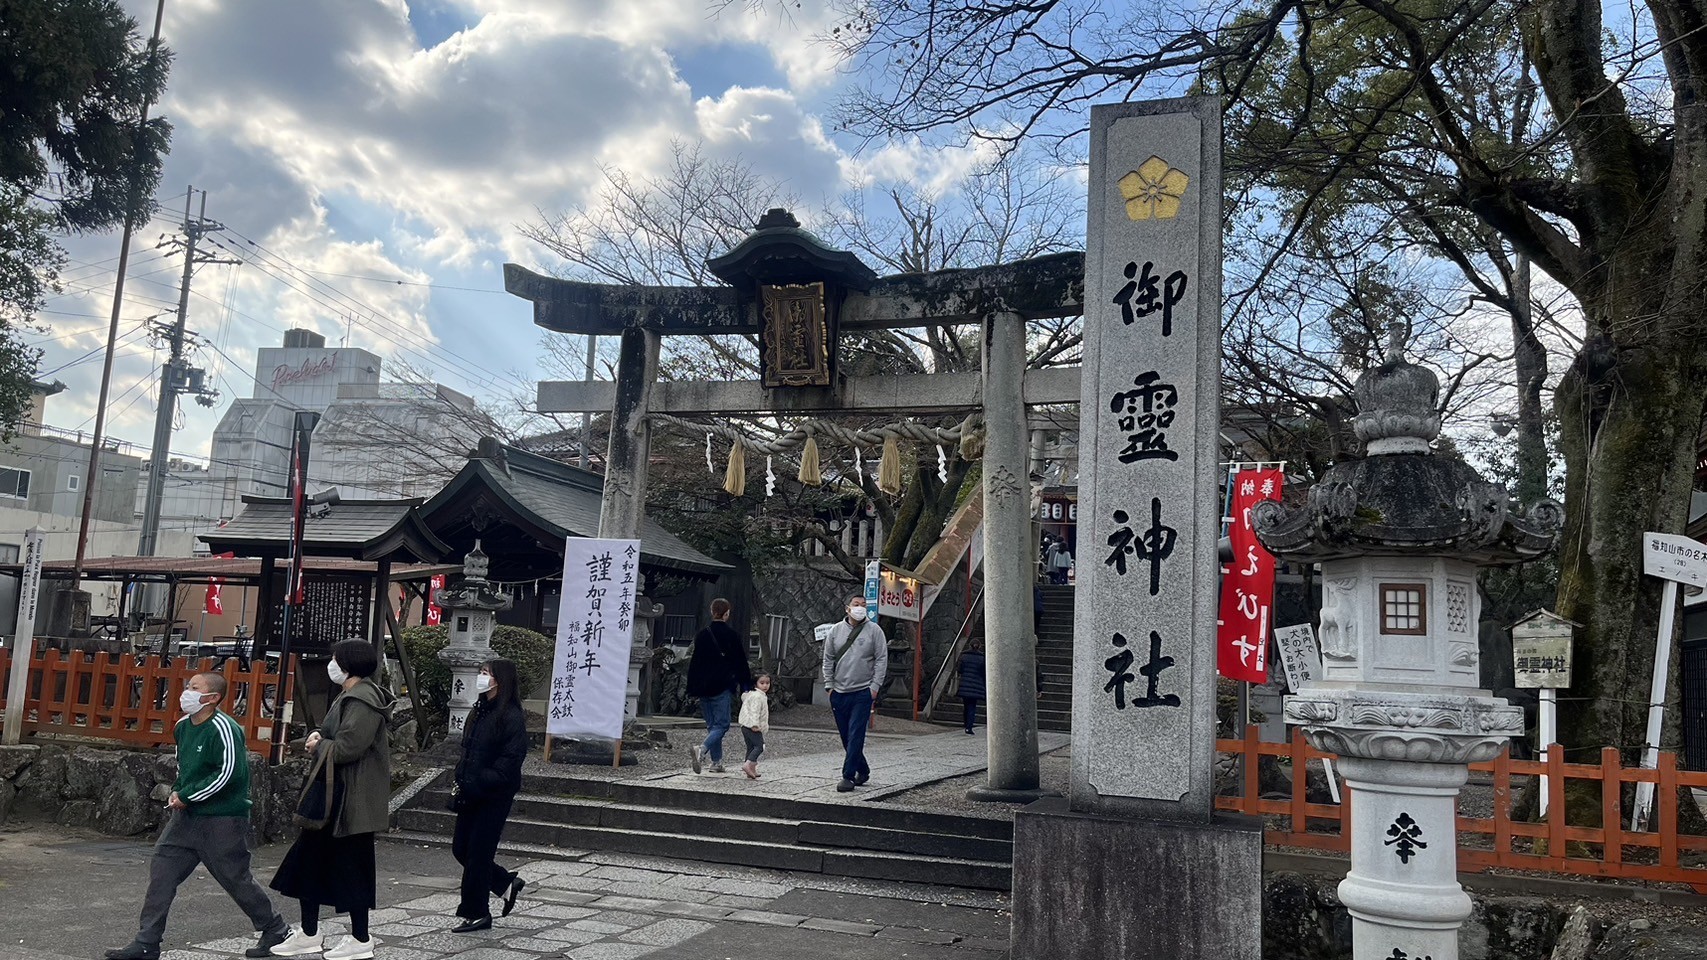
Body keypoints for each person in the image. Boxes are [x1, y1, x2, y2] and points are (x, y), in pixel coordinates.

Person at [104, 673, 292, 960]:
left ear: (212, 698)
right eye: (187, 687)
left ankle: (275, 928)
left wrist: (188, 795)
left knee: (234, 878)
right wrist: (178, 791)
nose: (186, 693)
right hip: (186, 818)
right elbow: (184, 767)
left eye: (194, 688)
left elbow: (230, 773)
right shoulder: (182, 727)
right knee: (162, 874)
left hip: (223, 817)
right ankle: (147, 941)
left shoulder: (224, 728)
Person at [269, 640, 394, 960]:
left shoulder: (363, 700)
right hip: (335, 795)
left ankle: (361, 939)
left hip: (351, 800)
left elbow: (349, 747)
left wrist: (318, 745)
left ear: (348, 665)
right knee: (308, 863)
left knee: (352, 870)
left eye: (336, 659)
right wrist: (319, 738)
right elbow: (333, 737)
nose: (331, 664)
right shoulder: (351, 696)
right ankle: (310, 933)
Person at [448, 658, 529, 932]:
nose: (481, 677)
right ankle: (505, 883)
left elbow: (509, 762)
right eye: (481, 672)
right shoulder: (479, 710)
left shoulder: (511, 717)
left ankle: (477, 913)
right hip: (470, 791)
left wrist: (481, 780)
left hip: (494, 796)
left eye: (486, 673)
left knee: (478, 855)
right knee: (461, 848)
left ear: (500, 680)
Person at [822, 595, 887, 792]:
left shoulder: (875, 631)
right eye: (856, 605)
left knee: (856, 733)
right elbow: (828, 659)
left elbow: (881, 658)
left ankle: (847, 776)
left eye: (864, 605)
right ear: (847, 608)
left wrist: (874, 687)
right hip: (839, 691)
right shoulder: (835, 631)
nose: (860, 608)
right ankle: (863, 769)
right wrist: (829, 685)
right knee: (845, 736)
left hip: (862, 691)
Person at [685, 597, 753, 775]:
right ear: (727, 613)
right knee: (722, 726)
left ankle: (716, 762)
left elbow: (695, 663)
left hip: (702, 686)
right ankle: (702, 749)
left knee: (712, 726)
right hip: (721, 685)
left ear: (711, 611)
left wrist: (691, 687)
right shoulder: (731, 635)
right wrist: (746, 685)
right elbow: (740, 662)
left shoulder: (702, 634)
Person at [737, 673, 772, 779]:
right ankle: (748, 765)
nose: (765, 686)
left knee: (751, 747)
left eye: (767, 683)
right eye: (762, 683)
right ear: (755, 684)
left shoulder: (752, 695)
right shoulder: (757, 696)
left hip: (745, 724)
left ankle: (751, 769)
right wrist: (754, 724)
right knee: (759, 746)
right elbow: (754, 711)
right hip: (751, 725)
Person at [957, 640, 987, 735]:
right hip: (976, 685)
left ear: (969, 645)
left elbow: (960, 670)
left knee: (966, 705)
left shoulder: (964, 656)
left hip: (965, 684)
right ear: (979, 646)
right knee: (972, 706)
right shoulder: (982, 658)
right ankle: (969, 727)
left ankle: (965, 723)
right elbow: (984, 673)